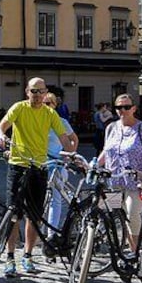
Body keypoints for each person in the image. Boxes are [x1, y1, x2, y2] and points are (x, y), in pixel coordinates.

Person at [0, 77, 70, 278]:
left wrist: (71, 153)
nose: (37, 95)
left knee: (34, 216)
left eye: (41, 91)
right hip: (18, 165)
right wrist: (1, 136)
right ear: (27, 91)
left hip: (40, 167)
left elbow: (63, 137)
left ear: (46, 93)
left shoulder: (50, 113)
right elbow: (2, 126)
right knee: (13, 213)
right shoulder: (19, 108)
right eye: (33, 91)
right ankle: (10, 257)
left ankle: (27, 256)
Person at [98, 93, 142, 250]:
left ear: (133, 108)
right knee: (116, 215)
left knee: (133, 216)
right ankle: (128, 249)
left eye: (126, 107)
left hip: (136, 182)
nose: (122, 110)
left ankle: (138, 251)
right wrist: (95, 166)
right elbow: (106, 151)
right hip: (114, 181)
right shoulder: (111, 127)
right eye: (118, 107)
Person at [42, 93, 78, 239]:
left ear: (54, 105)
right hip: (40, 164)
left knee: (54, 200)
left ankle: (52, 233)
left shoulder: (61, 122)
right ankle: (38, 232)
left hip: (56, 164)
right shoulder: (38, 121)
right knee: (40, 199)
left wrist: (70, 156)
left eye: (49, 103)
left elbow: (74, 139)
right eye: (43, 103)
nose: (45, 106)